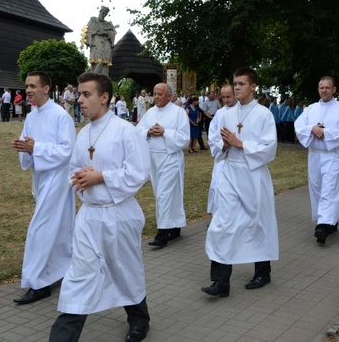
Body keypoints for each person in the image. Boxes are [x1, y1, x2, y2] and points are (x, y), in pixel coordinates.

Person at [49, 72, 151, 342]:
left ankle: (140, 320)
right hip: (90, 216)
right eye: (79, 94)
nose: (79, 99)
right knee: (79, 277)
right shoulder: (83, 135)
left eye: (86, 94)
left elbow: (139, 173)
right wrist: (81, 177)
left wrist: (101, 176)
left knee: (125, 270)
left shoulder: (126, 131)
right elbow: (73, 169)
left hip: (119, 215)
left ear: (104, 97)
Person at [201, 67, 279, 297]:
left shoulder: (264, 114)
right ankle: (221, 281)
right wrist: (225, 145)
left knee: (257, 223)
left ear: (253, 86)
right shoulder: (225, 114)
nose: (236, 88)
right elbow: (216, 144)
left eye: (241, 84)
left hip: (253, 176)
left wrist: (239, 143)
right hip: (230, 174)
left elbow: (269, 148)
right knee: (222, 225)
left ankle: (262, 272)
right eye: (235, 83)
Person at [10, 71, 76, 305]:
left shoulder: (61, 116)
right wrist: (24, 148)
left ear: (46, 88)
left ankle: (38, 283)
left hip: (58, 179)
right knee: (55, 229)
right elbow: (29, 144)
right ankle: (60, 269)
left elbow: (67, 151)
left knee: (40, 229)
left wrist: (36, 149)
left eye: (33, 86)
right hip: (41, 177)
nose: (28, 90)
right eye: (26, 86)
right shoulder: (31, 116)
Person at [295, 76, 339, 244]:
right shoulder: (311, 109)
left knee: (329, 188)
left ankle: (322, 226)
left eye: (327, 87)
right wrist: (311, 128)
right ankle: (330, 220)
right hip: (314, 154)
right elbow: (298, 126)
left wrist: (325, 133)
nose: (324, 90)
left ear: (334, 89)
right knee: (317, 187)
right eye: (321, 88)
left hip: (332, 155)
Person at [136, 83, 190, 247]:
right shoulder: (150, 112)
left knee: (164, 194)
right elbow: (137, 131)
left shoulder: (178, 112)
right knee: (163, 193)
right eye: (155, 93)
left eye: (160, 94)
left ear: (169, 96)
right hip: (154, 158)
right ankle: (175, 227)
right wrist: (148, 132)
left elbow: (184, 138)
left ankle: (163, 232)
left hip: (170, 157)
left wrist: (165, 132)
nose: (157, 97)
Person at [207, 84, 236, 215]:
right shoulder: (219, 113)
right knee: (217, 186)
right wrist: (222, 145)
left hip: (236, 157)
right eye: (223, 97)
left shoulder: (241, 111)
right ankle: (217, 215)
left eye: (228, 97)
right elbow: (212, 135)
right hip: (221, 156)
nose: (226, 100)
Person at [85, 6, 117, 76]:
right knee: (97, 61)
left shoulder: (107, 24)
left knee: (104, 63)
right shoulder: (92, 20)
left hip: (106, 45)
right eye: (103, 13)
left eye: (105, 14)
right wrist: (93, 35)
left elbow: (113, 33)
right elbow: (87, 32)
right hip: (96, 43)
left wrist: (105, 33)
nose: (104, 15)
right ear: (100, 11)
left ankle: (102, 77)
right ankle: (94, 76)